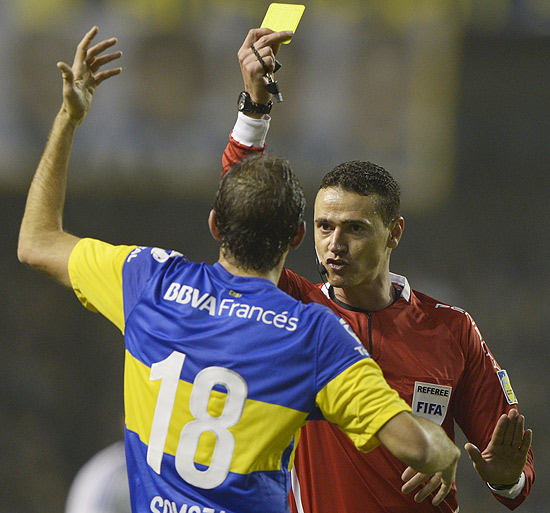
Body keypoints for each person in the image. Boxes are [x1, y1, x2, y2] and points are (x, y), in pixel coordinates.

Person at [18, 27, 461, 513]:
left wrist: (68, 116)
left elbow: (36, 242)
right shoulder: (315, 336)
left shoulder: (149, 281)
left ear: (215, 225)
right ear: (297, 237)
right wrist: (444, 448)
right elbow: (418, 448)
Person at [221, 28, 535, 512]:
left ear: (395, 233)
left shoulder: (451, 330)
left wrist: (507, 478)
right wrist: (254, 107)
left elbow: (513, 469)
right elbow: (240, 210)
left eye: (355, 228)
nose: (334, 244)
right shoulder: (295, 309)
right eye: (323, 227)